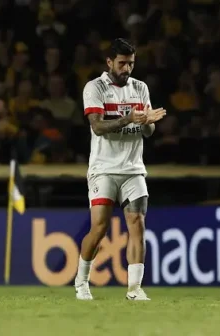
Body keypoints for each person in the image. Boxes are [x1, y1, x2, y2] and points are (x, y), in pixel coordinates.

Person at [74, 38, 166, 301]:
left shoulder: (140, 88)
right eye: (123, 63)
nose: (127, 69)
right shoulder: (95, 88)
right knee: (100, 228)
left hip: (133, 169)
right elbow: (98, 127)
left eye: (131, 64)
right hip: (103, 169)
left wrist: (148, 122)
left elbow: (148, 131)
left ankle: (134, 289)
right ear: (110, 62)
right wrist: (129, 118)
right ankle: (81, 281)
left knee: (137, 224)